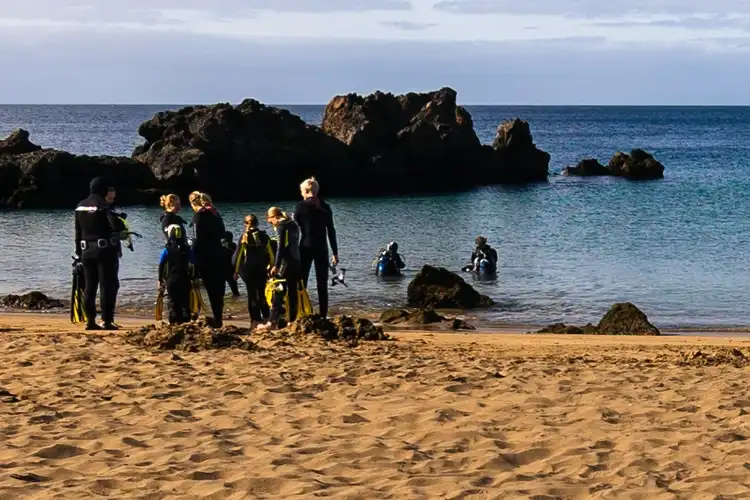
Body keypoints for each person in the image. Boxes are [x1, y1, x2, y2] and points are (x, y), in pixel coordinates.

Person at [74, 177, 123, 330]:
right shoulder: (103, 206)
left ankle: (90, 321)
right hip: (104, 250)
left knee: (89, 287)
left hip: (86, 251)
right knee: (107, 286)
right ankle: (107, 321)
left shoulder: (80, 206)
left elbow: (78, 232)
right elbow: (115, 225)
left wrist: (78, 254)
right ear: (103, 190)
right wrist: (120, 222)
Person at [294, 177, 339, 318]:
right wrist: (335, 252)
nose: (301, 193)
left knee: (302, 282)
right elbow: (331, 230)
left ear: (306, 191)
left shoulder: (300, 206)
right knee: (322, 283)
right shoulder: (325, 207)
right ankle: (323, 315)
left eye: (302, 191)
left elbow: (296, 227)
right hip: (322, 247)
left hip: (305, 247)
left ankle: (301, 313)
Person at [257, 207, 302, 331]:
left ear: (274, 216)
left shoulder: (282, 226)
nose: (270, 223)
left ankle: (271, 322)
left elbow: (281, 248)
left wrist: (276, 266)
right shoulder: (293, 224)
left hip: (285, 263)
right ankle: (291, 321)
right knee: (292, 292)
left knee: (278, 291)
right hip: (296, 262)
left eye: (270, 220)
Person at [189, 191, 226, 328]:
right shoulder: (215, 214)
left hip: (205, 256)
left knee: (205, 287)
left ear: (193, 203)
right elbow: (223, 233)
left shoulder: (198, 217)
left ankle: (195, 316)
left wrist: (192, 258)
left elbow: (196, 239)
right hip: (218, 253)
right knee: (218, 288)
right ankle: (219, 317)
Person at [158, 197, 195, 324]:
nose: (180, 206)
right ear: (170, 204)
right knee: (178, 298)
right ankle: (179, 319)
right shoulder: (167, 218)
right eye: (178, 204)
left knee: (178, 297)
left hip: (175, 262)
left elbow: (161, 264)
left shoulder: (172, 218)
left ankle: (180, 319)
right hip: (176, 260)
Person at [233, 214, 274, 329]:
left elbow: (238, 255)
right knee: (262, 293)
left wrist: (236, 271)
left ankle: (254, 320)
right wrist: (272, 267)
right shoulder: (264, 236)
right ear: (257, 223)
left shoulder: (244, 237)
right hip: (261, 268)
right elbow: (271, 253)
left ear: (245, 224)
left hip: (247, 269)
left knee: (252, 295)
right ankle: (266, 318)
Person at [222, 231, 241, 297]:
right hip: (231, 270)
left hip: (221, 269)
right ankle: (237, 300)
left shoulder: (220, 245)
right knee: (235, 290)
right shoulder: (233, 245)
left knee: (221, 291)